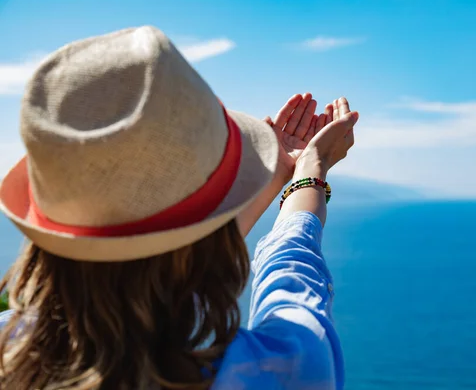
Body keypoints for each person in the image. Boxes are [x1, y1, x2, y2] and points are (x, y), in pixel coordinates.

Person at [0, 26, 358, 389]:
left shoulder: (10, 353)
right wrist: (310, 169)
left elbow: (159, 274)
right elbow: (292, 283)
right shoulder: (271, 375)